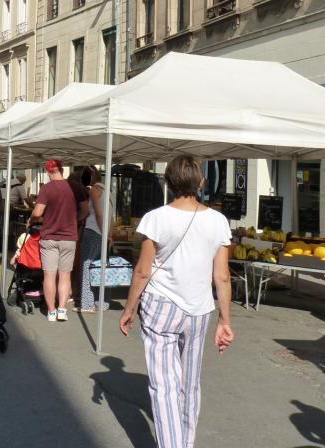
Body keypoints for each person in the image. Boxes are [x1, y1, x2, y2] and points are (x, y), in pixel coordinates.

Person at [119, 154, 234, 448]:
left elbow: (143, 271)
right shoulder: (219, 221)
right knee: (190, 383)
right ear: (202, 181)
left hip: (161, 305)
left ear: (168, 182)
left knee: (165, 386)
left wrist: (129, 309)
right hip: (199, 309)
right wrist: (225, 320)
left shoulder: (155, 218)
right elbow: (221, 277)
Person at [27, 159, 89, 322]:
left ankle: (51, 311)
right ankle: (62, 309)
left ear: (48, 172)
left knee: (49, 275)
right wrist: (74, 221)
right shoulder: (76, 187)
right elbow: (86, 211)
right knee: (65, 275)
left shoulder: (47, 189)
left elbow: (38, 212)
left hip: (49, 237)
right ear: (61, 170)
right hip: (69, 237)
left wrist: (31, 219)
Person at [75, 166, 112, 313]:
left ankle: (87, 304)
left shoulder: (94, 190)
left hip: (93, 231)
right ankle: (102, 302)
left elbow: (97, 213)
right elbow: (112, 216)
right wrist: (109, 234)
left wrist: (103, 232)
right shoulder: (109, 191)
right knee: (101, 267)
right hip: (104, 232)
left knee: (86, 266)